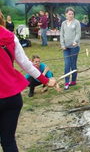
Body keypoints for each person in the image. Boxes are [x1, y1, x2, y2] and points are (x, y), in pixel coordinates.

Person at [0, 10, 56, 152]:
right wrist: (45, 80)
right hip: (13, 97)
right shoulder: (10, 37)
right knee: (8, 141)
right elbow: (26, 65)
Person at [60, 7, 81, 90]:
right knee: (67, 64)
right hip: (66, 48)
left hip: (74, 47)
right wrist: (62, 44)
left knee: (73, 64)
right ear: (66, 14)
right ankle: (66, 82)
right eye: (69, 14)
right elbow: (61, 34)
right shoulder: (63, 23)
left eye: (72, 14)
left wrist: (75, 41)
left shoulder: (76, 23)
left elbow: (78, 34)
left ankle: (74, 80)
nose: (71, 15)